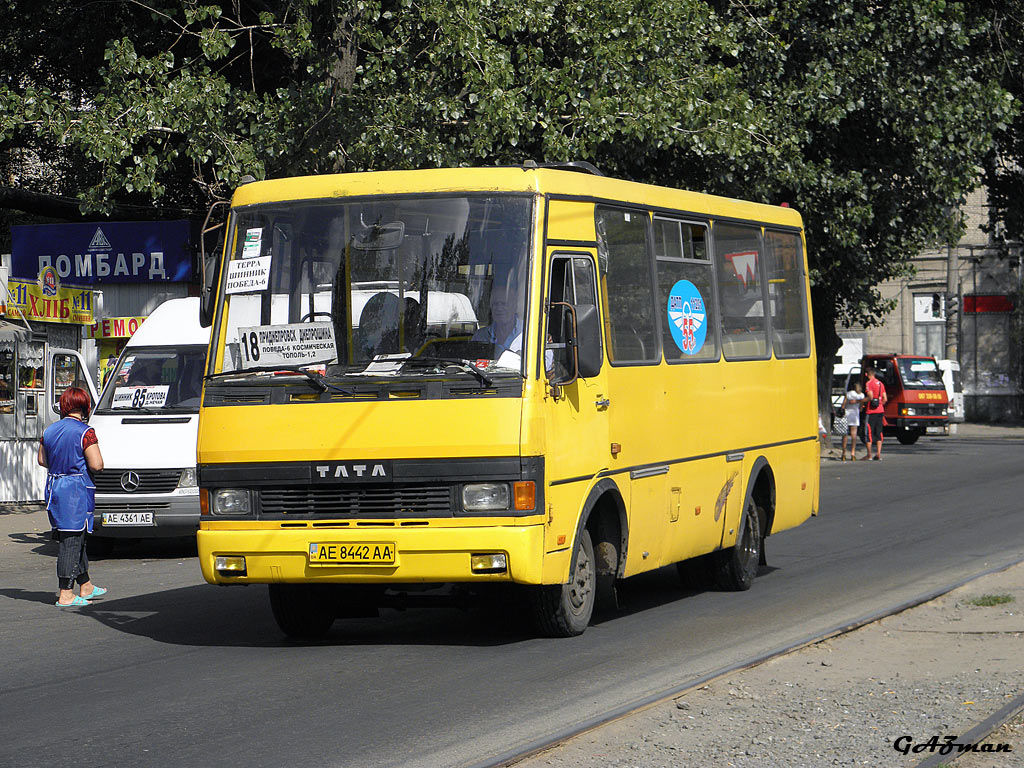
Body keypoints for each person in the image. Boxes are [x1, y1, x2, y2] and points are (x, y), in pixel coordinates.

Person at [37, 387, 106, 607]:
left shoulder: (49, 431)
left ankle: (85, 584)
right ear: (84, 406)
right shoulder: (85, 432)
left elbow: (42, 460)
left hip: (55, 487)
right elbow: (97, 464)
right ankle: (65, 593)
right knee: (71, 541)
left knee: (76, 536)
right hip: (75, 489)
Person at [471, 290, 523, 355]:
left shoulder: (528, 332)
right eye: (495, 304)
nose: (499, 308)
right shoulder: (480, 335)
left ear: (514, 307)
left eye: (504, 304)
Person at [863, 366, 887, 461]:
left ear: (866, 374)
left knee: (868, 432)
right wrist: (880, 404)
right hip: (880, 410)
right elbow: (885, 398)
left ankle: (869, 454)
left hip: (871, 411)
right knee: (879, 432)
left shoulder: (868, 383)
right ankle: (878, 453)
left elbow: (870, 396)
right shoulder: (881, 384)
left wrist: (860, 401)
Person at [841, 381, 866, 461]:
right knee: (854, 435)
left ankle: (844, 453)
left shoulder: (848, 394)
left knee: (845, 434)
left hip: (847, 414)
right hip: (855, 415)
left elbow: (843, 405)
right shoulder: (861, 395)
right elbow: (861, 408)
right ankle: (853, 453)